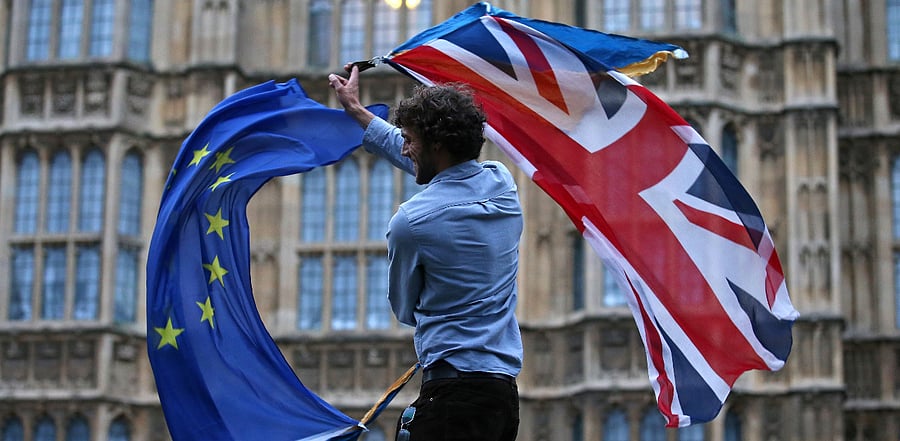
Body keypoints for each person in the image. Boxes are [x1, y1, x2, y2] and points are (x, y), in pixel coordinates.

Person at [329, 65, 523, 441]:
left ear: (436, 145)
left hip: (451, 395)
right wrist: (358, 112)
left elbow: (403, 309)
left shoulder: (411, 222)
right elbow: (441, 170)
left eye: (410, 140)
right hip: (501, 396)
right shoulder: (502, 185)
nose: (404, 148)